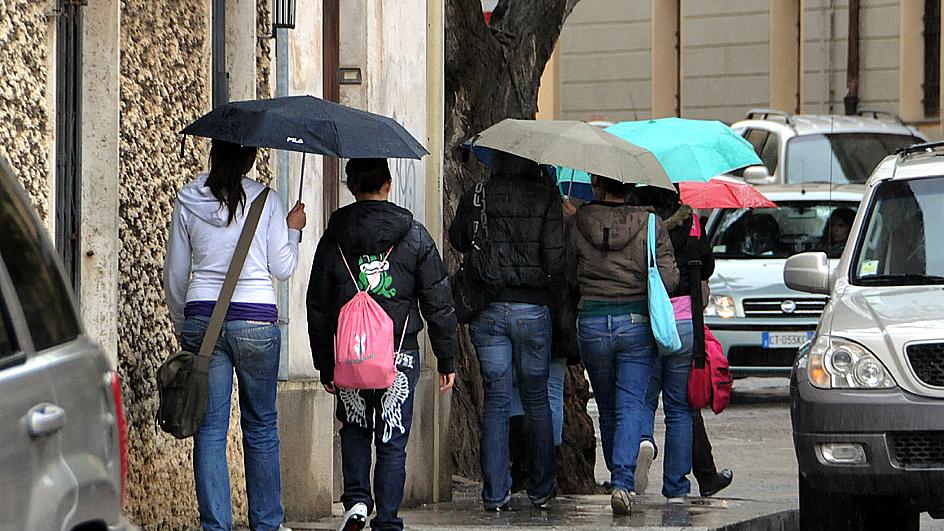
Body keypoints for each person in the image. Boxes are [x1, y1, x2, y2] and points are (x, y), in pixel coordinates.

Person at [307, 158, 458, 531]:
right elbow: (438, 302)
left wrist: (325, 363)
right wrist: (446, 358)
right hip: (398, 354)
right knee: (392, 437)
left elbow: (319, 305)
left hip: (349, 355)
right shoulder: (415, 236)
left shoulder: (334, 237)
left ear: (351, 185)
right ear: (388, 184)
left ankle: (357, 504)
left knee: (355, 428)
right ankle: (387, 518)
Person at [164, 139, 306, 531]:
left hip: (201, 321)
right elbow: (283, 267)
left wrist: (185, 325)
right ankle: (266, 524)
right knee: (260, 425)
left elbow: (175, 275)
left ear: (214, 154)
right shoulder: (268, 200)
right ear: (250, 157)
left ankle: (216, 526)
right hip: (257, 322)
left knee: (209, 430)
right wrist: (293, 232)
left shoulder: (188, 199)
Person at [448, 150, 564, 511]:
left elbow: (458, 240)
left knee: (496, 399)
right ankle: (541, 488)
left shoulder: (479, 194)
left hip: (488, 308)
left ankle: (495, 493)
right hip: (532, 310)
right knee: (536, 398)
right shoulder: (547, 198)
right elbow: (556, 259)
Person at [568, 175, 678, 515]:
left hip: (592, 323)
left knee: (607, 406)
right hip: (635, 324)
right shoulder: (650, 223)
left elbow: (570, 273)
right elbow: (670, 279)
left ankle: (620, 476)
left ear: (598, 185)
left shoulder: (578, 221)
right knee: (631, 404)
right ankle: (622, 482)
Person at [634, 186, 733, 503]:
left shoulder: (639, 221)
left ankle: (643, 441)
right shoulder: (693, 224)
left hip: (648, 321)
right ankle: (676, 487)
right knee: (679, 409)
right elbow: (706, 267)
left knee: (643, 400)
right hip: (685, 323)